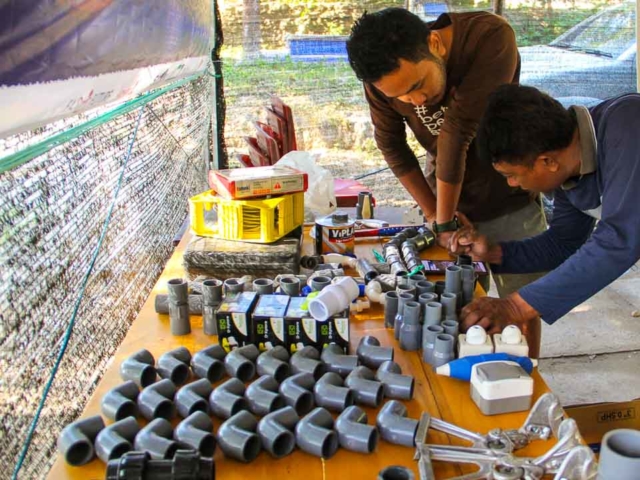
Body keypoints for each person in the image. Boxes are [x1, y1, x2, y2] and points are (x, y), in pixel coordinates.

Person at [345, 7, 547, 299]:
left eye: (417, 85)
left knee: (522, 302)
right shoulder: (381, 77)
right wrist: (434, 212)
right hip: (447, 196)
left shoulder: (489, 37)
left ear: (435, 44)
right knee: (459, 299)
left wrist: (444, 221)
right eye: (400, 97)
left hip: (508, 193)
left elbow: (456, 132)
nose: (416, 101)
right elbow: (392, 145)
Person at [453, 84, 640, 353]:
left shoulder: (629, 125)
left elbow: (619, 241)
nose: (512, 184)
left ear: (547, 161)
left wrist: (514, 306)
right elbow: (562, 244)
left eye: (512, 174)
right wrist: (494, 252)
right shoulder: (568, 167)